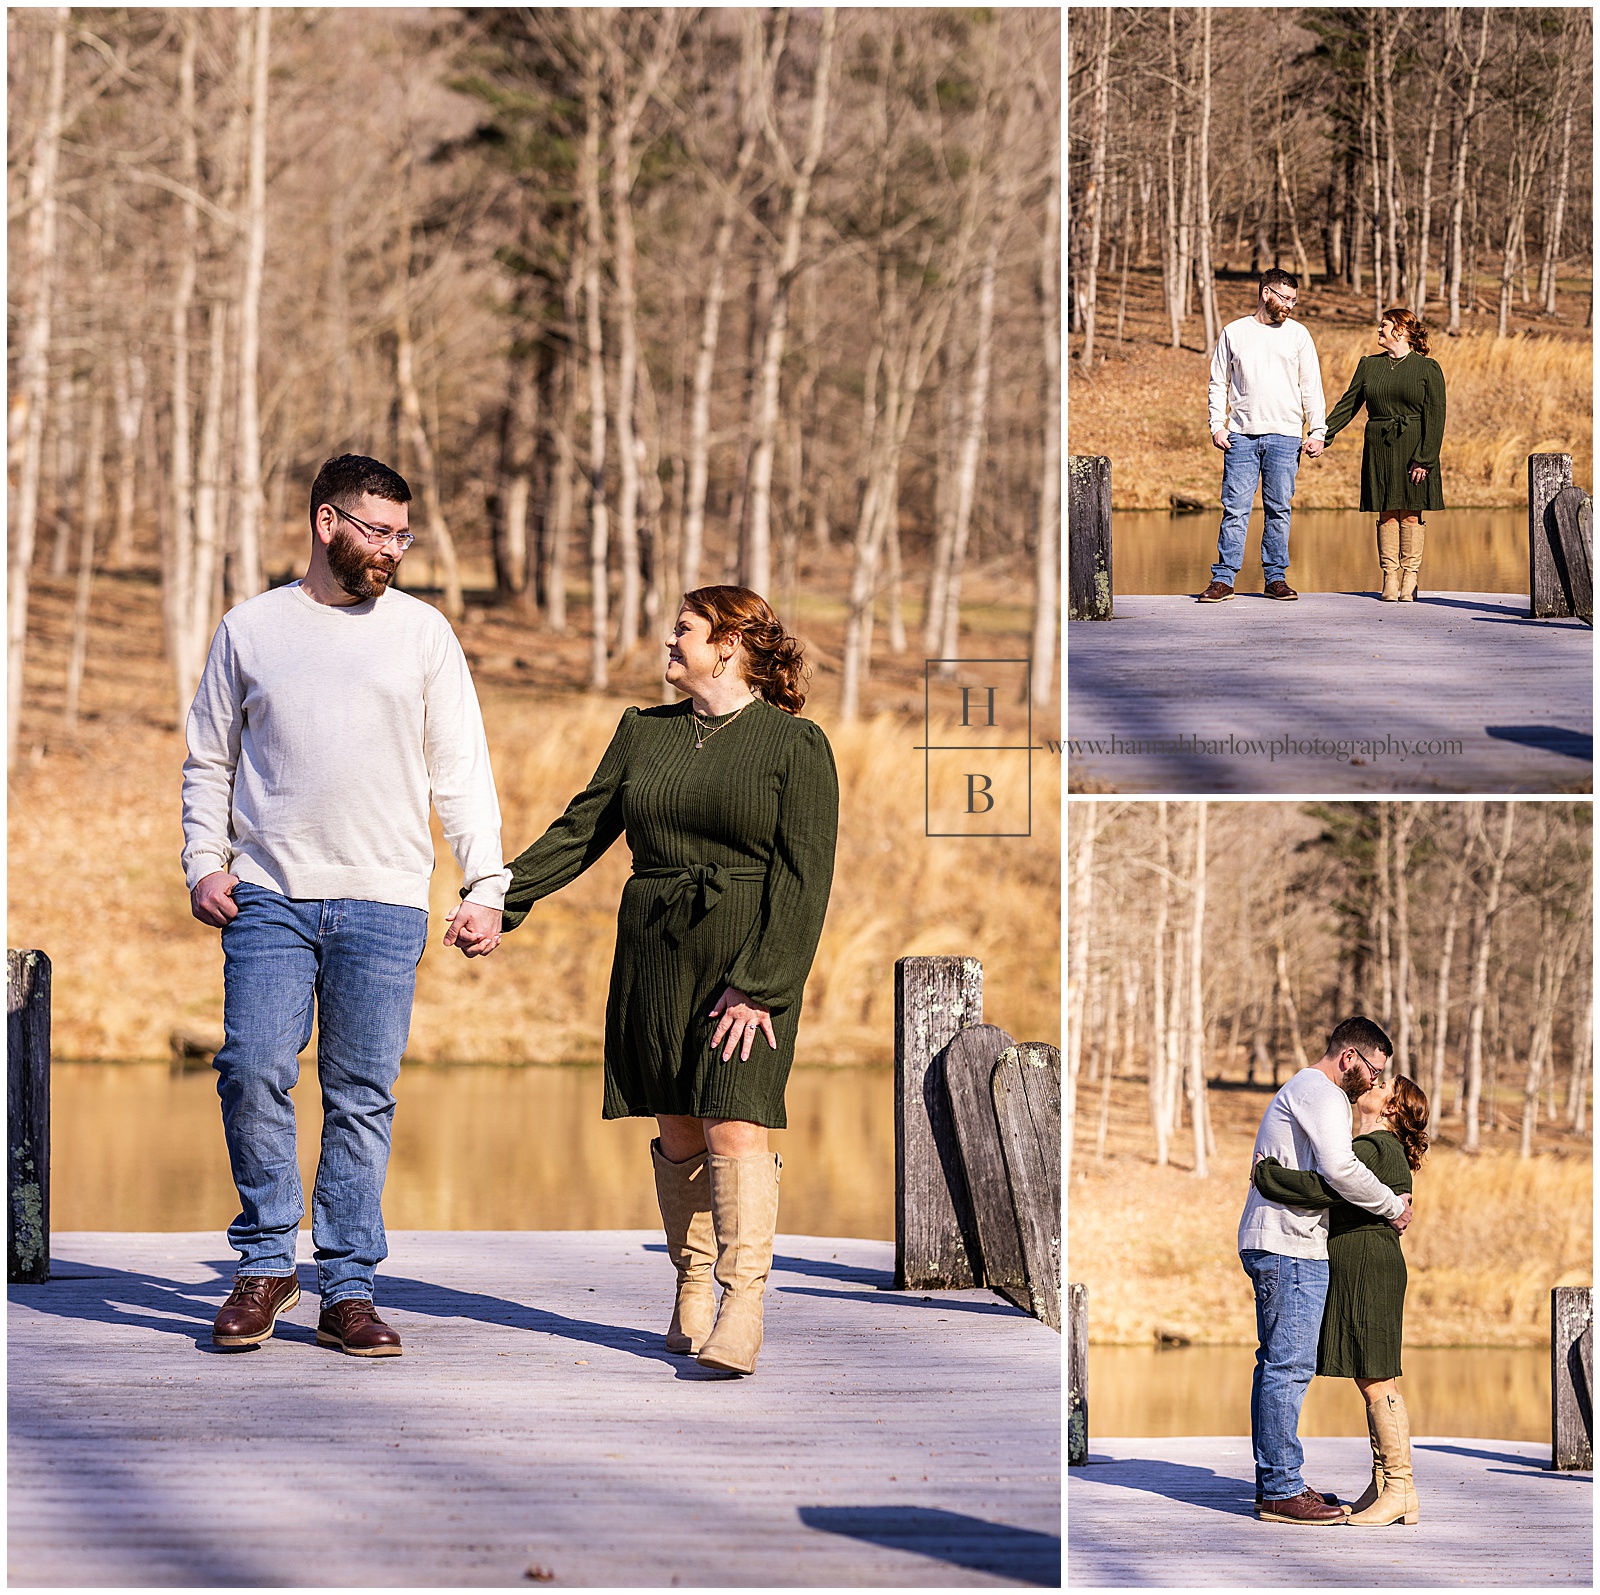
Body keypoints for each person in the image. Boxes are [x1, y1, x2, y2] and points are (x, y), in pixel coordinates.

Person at [182, 454, 508, 1358]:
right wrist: (202, 861)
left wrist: (487, 885)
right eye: (377, 531)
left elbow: (462, 771)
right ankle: (265, 1262)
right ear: (327, 523)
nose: (393, 550)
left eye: (404, 534)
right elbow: (208, 759)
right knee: (252, 1066)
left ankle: (349, 1287)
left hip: (385, 899)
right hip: (271, 894)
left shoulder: (423, 634)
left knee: (361, 1094)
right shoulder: (251, 629)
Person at [493, 586, 838, 1376]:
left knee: (735, 1118)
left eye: (684, 628)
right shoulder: (640, 733)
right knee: (679, 1123)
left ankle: (741, 1302)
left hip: (744, 956)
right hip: (655, 948)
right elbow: (581, 830)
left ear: (729, 644)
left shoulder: (795, 746)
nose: (668, 639)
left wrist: (761, 984)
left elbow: (803, 878)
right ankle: (689, 1282)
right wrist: (499, 897)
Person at [1237, 1017, 1414, 1524]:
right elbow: (1339, 1172)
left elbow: (1323, 1181)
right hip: (1288, 1246)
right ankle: (1280, 1489)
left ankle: (1281, 1480)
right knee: (1287, 1368)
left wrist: (1274, 1179)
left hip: (1288, 1243)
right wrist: (1390, 1206)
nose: (1375, 1081)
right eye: (1373, 1069)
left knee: (1281, 1365)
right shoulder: (1323, 1092)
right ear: (1349, 1058)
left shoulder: (1310, 1092)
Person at [1199, 268, 1327, 604]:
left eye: (1294, 300)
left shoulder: (1299, 335)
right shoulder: (1235, 332)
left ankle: (1275, 578)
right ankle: (1223, 579)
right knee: (1235, 510)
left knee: (1279, 510)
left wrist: (1317, 430)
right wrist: (1217, 424)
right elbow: (1218, 382)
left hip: (1286, 437)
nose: (1290, 306)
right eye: (1285, 298)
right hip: (1241, 436)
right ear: (1266, 293)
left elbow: (1310, 386)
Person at [1322, 307, 1446, 602]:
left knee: (1411, 515)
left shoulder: (1428, 369)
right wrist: (1321, 434)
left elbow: (1436, 415)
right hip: (1379, 446)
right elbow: (1348, 405)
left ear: (1400, 330)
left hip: (1414, 446)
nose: (1379, 330)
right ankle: (1390, 576)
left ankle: (1410, 577)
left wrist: (1425, 458)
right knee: (1387, 514)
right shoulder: (1369, 365)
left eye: (1384, 325)